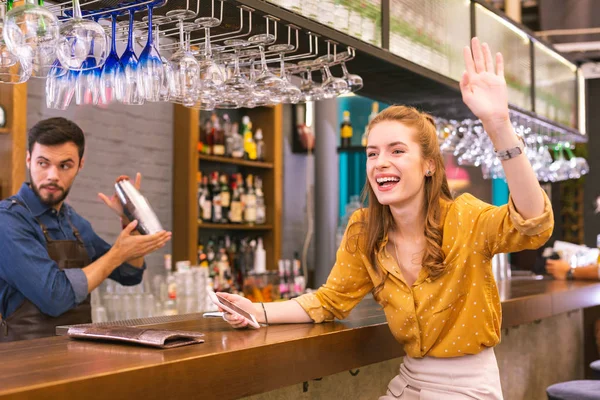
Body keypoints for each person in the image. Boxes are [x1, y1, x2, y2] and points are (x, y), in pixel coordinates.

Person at [218, 38, 554, 399]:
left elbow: (534, 225)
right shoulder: (364, 229)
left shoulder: (465, 216)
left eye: (397, 151)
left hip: (468, 388)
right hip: (408, 382)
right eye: (372, 153)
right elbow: (329, 301)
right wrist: (257, 310)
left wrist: (499, 124)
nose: (380, 163)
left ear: (428, 165)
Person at [0, 117, 171, 342]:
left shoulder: (74, 223)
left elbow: (129, 274)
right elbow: (54, 296)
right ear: (29, 160)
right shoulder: (8, 219)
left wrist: (132, 217)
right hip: (26, 365)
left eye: (65, 165)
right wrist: (117, 253)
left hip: (76, 357)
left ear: (80, 165)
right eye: (43, 163)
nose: (53, 175)